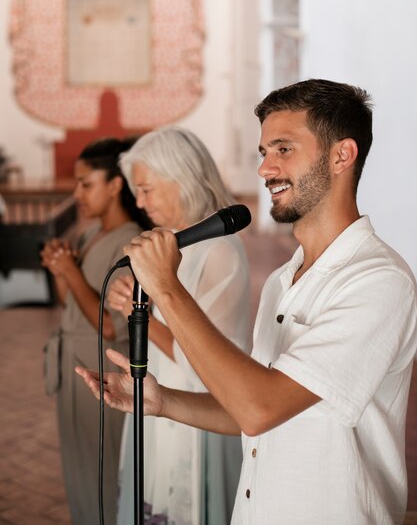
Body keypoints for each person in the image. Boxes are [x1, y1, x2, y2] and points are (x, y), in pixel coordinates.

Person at [77, 80, 417, 525]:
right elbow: (251, 408)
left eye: (283, 149)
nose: (264, 169)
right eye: (263, 152)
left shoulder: (377, 280)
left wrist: (166, 288)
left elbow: (261, 408)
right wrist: (163, 402)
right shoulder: (282, 280)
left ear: (341, 155)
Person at [107, 125, 252, 525]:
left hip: (198, 414)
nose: (139, 201)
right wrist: (135, 300)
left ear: (182, 178)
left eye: (147, 189)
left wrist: (139, 316)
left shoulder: (219, 252)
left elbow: (202, 361)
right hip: (159, 398)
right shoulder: (166, 241)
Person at [41, 137, 150, 525]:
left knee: (101, 471)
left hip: (100, 370)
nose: (77, 193)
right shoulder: (89, 236)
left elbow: (109, 325)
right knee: (78, 468)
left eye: (86, 184)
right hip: (74, 363)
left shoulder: (132, 244)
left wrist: (71, 271)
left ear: (116, 185)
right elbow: (68, 302)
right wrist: (61, 271)